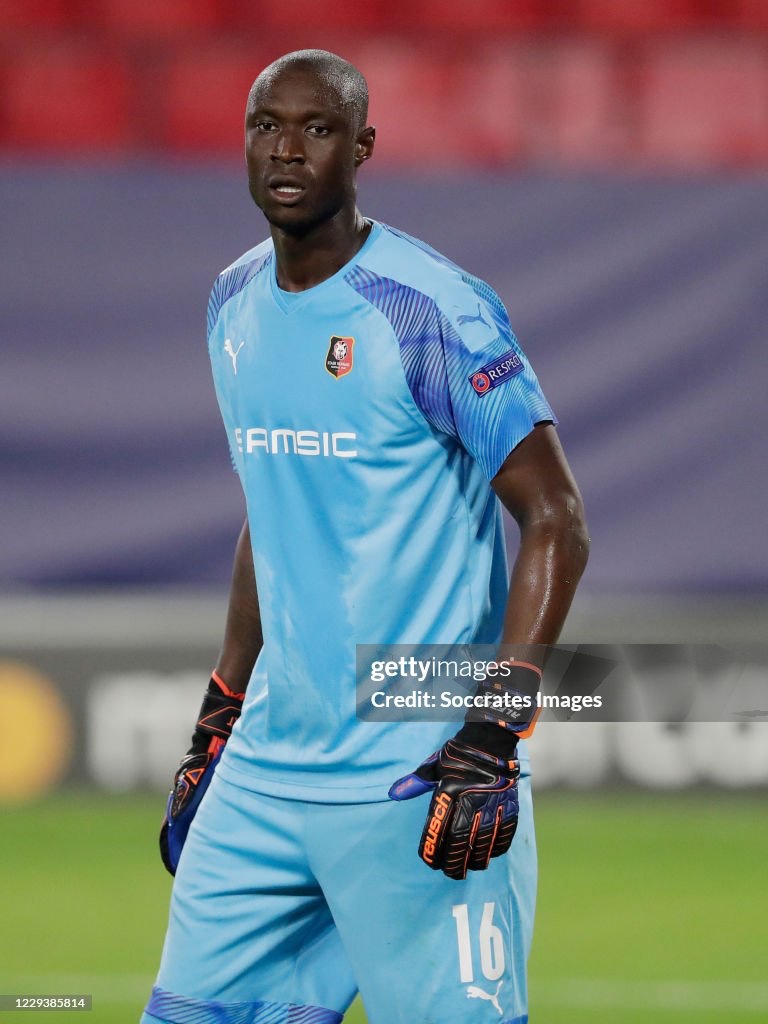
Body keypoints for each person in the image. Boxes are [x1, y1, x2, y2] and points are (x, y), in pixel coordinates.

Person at [142, 49, 589, 1024]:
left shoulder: (433, 311)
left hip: (415, 767)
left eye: (317, 128)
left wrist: (493, 732)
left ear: (363, 148)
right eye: (267, 127)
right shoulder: (232, 306)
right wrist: (221, 706)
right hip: (267, 764)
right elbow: (275, 511)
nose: (288, 149)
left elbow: (557, 518)